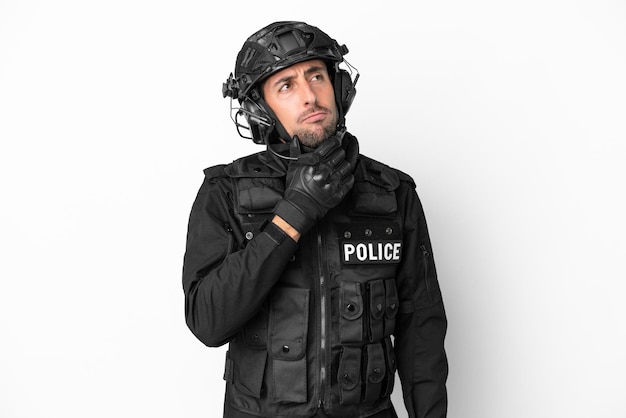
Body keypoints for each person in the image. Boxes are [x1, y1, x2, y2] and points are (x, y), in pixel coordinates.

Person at [182, 21, 448, 418]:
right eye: (286, 86)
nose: (309, 97)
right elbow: (208, 322)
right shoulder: (225, 192)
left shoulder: (394, 193)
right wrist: (294, 213)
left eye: (317, 77)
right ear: (259, 109)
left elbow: (421, 327)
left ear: (339, 88)